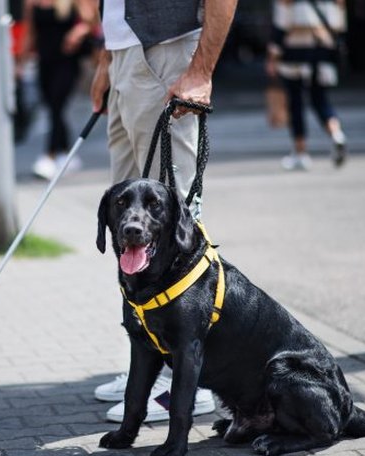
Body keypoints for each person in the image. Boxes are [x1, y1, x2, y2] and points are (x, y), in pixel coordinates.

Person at [88, 0, 238, 423]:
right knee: (129, 225)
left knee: (173, 226)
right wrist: (109, 59)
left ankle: (185, 381)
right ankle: (145, 366)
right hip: (127, 56)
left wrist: (200, 70)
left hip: (167, 53)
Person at [266, 0, 347, 171]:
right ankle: (336, 134)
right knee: (320, 100)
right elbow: (339, 25)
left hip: (294, 54)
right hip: (322, 54)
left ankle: (301, 153)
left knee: (296, 104)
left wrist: (272, 57)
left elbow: (281, 26)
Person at [21, 0, 97, 180]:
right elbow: (29, 32)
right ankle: (66, 153)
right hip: (45, 62)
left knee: (57, 104)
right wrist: (20, 63)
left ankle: (49, 155)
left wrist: (76, 33)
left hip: (67, 61)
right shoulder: (32, 3)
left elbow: (92, 21)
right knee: (53, 108)